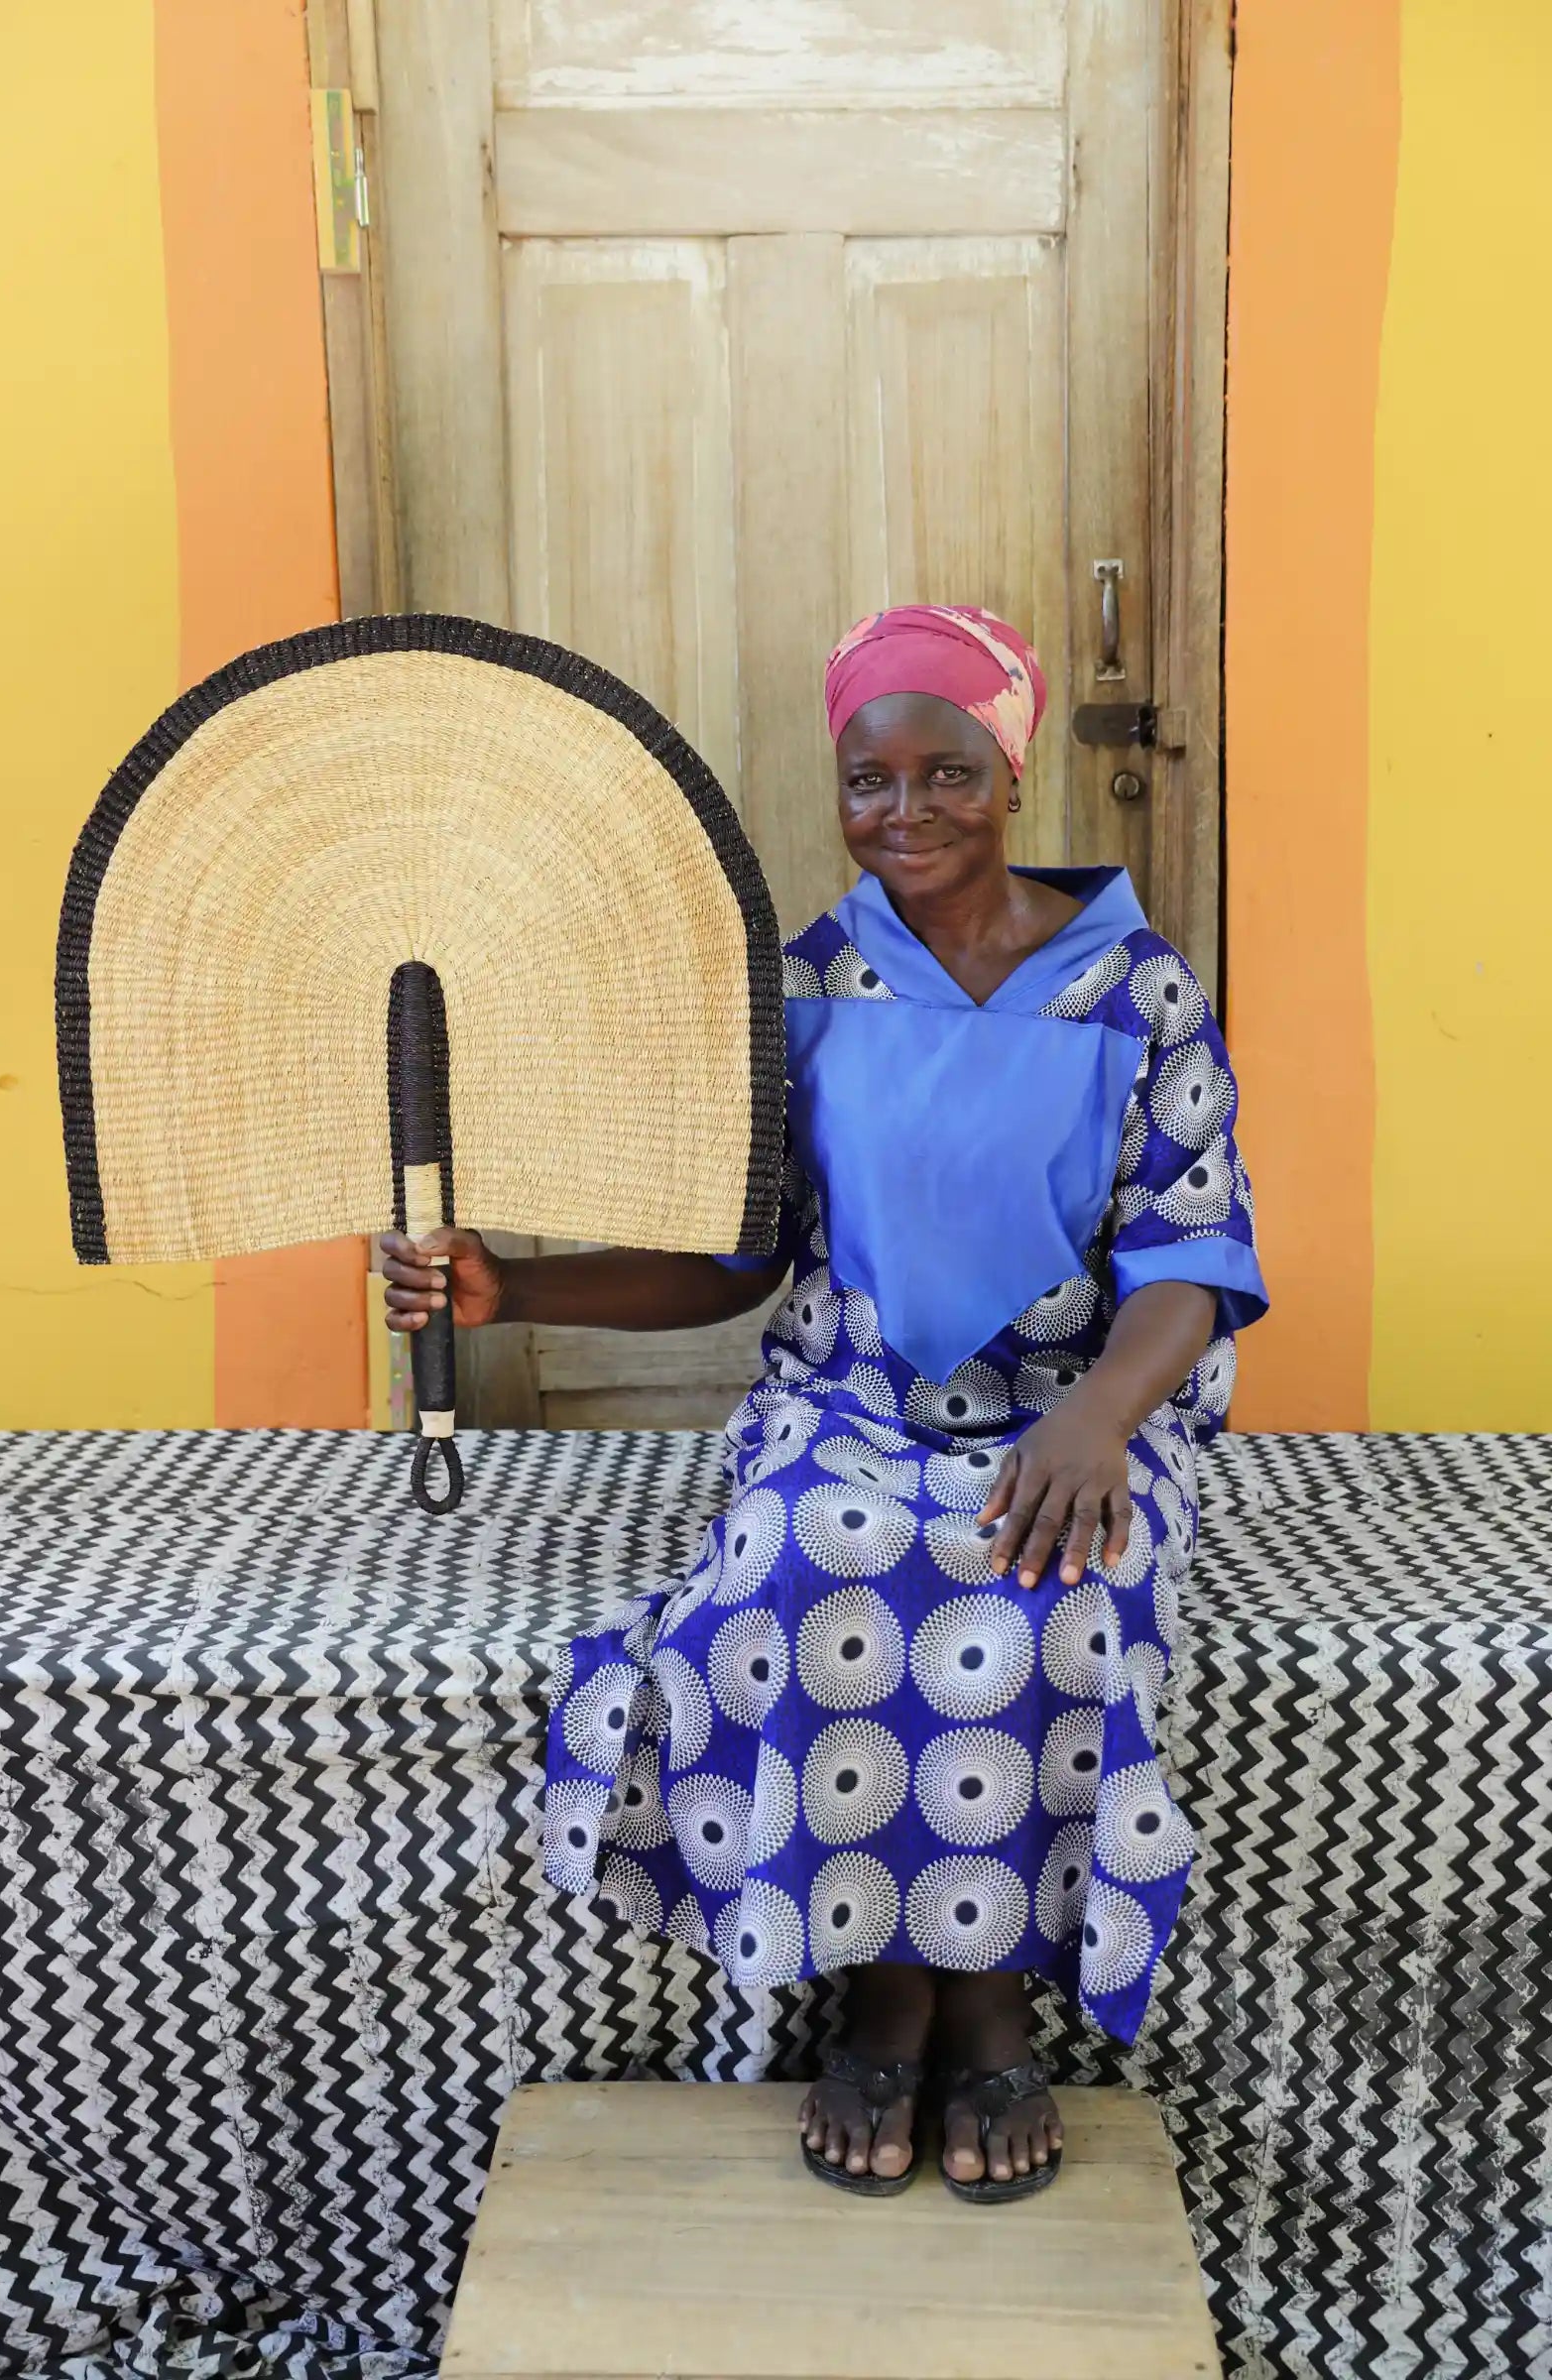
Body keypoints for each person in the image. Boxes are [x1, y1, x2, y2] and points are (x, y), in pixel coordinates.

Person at [382, 604, 1266, 2203]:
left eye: (948, 773)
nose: (908, 810)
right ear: (839, 788)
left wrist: (1098, 1423)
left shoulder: (1137, 988)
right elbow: (735, 1260)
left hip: (1082, 1407)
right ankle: (889, 1987)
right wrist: (514, 1290)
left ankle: (987, 2000)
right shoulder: (808, 983)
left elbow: (1191, 1259)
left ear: (1011, 771)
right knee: (818, 1558)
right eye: (871, 781)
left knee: (1061, 1580)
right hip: (850, 1410)